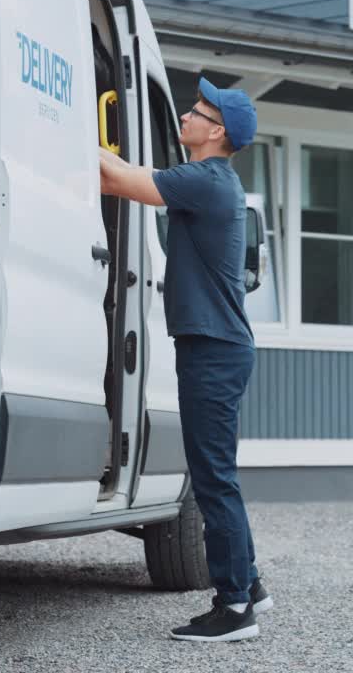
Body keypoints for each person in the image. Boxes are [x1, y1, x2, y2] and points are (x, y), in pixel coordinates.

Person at [98, 77, 270, 642]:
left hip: (214, 352)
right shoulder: (213, 180)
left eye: (195, 111)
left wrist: (57, 128)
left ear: (215, 131)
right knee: (218, 474)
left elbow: (114, 178)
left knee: (213, 478)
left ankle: (235, 606)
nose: (186, 116)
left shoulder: (206, 180)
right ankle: (250, 585)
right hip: (216, 347)